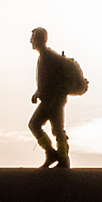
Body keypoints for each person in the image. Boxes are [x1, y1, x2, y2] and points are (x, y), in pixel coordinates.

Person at [27, 27, 72, 170]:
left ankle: (63, 159)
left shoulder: (48, 57)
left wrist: (51, 98)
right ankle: (52, 154)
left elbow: (54, 80)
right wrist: (38, 93)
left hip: (54, 101)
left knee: (57, 130)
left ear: (40, 39)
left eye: (33, 37)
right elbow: (46, 81)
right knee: (36, 125)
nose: (30, 41)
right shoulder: (44, 56)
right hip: (49, 101)